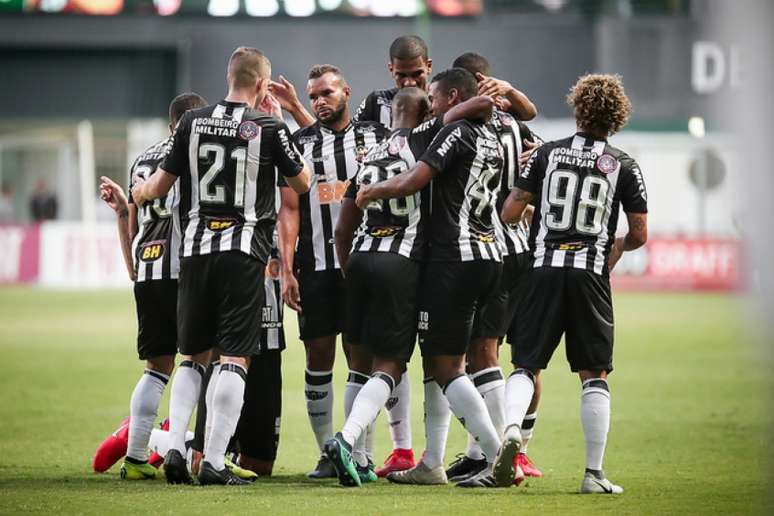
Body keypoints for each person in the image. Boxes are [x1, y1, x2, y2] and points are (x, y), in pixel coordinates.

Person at [131, 46, 311, 486]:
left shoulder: (191, 123)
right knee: (235, 357)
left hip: (193, 253)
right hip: (243, 253)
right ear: (263, 85)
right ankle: (212, 460)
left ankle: (175, 450)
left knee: (191, 355)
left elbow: (160, 183)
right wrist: (278, 123)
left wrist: (137, 195)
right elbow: (302, 183)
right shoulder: (267, 126)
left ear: (229, 77)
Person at [323, 86, 495, 488]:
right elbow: (477, 106)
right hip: (401, 263)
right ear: (423, 114)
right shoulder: (426, 137)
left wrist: (349, 267)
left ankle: (361, 458)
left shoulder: (374, 152)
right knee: (392, 365)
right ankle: (347, 441)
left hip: (362, 257)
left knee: (359, 366)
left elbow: (342, 226)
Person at [355, 68, 517, 488]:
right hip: (489, 255)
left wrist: (374, 191)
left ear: (453, 96)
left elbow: (416, 179)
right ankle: (433, 461)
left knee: (445, 367)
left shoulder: (457, 131)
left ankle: (497, 455)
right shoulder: (492, 137)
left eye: (437, 97)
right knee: (452, 360)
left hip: (454, 260)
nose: (433, 105)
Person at [500, 74, 648, 495]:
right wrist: (612, 251)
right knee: (594, 374)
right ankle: (593, 475)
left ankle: (511, 429)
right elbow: (638, 233)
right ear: (617, 116)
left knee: (526, 364)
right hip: (590, 275)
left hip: (543, 268)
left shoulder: (545, 153)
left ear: (578, 109)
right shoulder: (624, 165)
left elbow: (511, 212)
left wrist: (537, 212)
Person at [276, 64, 387, 480]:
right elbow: (289, 209)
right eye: (313, 96)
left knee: (361, 358)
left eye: (327, 93)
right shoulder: (298, 143)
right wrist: (287, 269)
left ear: (346, 92)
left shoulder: (376, 136)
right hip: (316, 267)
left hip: (365, 265)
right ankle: (327, 453)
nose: (319, 101)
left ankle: (361, 455)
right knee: (318, 356)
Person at [95, 92, 208, 481]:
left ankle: (137, 456)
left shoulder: (142, 158)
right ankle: (185, 449)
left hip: (148, 270)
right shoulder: (194, 153)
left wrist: (132, 268)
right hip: (184, 269)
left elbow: (131, 218)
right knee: (200, 360)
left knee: (156, 368)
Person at [444, 52, 543, 484]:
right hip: (518, 247)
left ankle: (506, 453)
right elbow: (530, 118)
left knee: (481, 354)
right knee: (488, 355)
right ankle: (480, 452)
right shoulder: (516, 127)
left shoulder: (465, 126)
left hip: (489, 247)